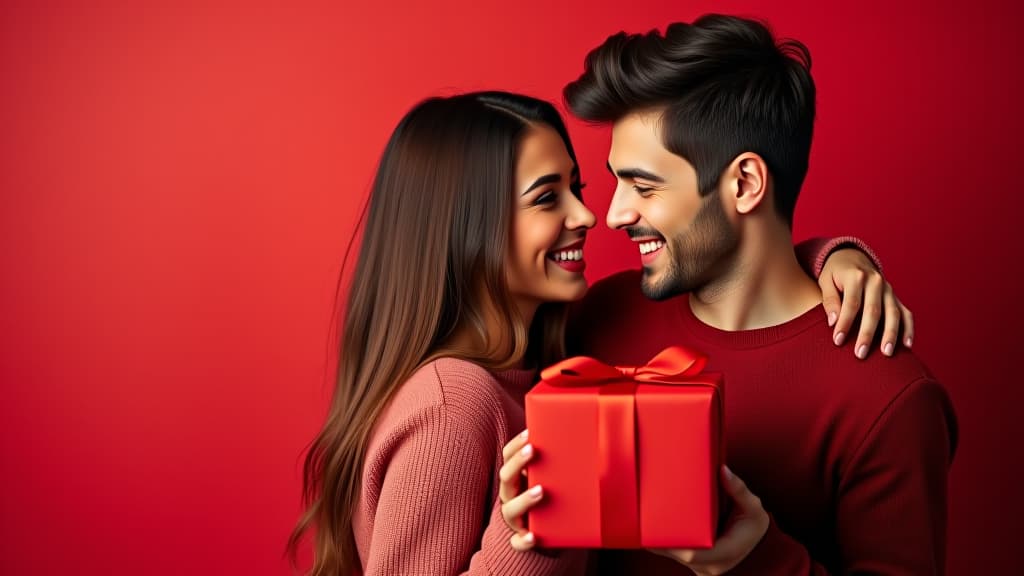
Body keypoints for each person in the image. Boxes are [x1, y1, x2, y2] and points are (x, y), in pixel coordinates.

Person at [288, 91, 909, 575]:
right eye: (546, 198)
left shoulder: (575, 344)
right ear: (465, 228)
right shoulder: (456, 403)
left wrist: (831, 257)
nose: (592, 215)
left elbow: (750, 268)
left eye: (580, 188)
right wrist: (533, 529)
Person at [541, 13, 958, 575]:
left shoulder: (886, 395)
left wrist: (756, 560)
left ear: (744, 184)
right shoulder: (600, 317)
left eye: (644, 186)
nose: (614, 214)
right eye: (616, 182)